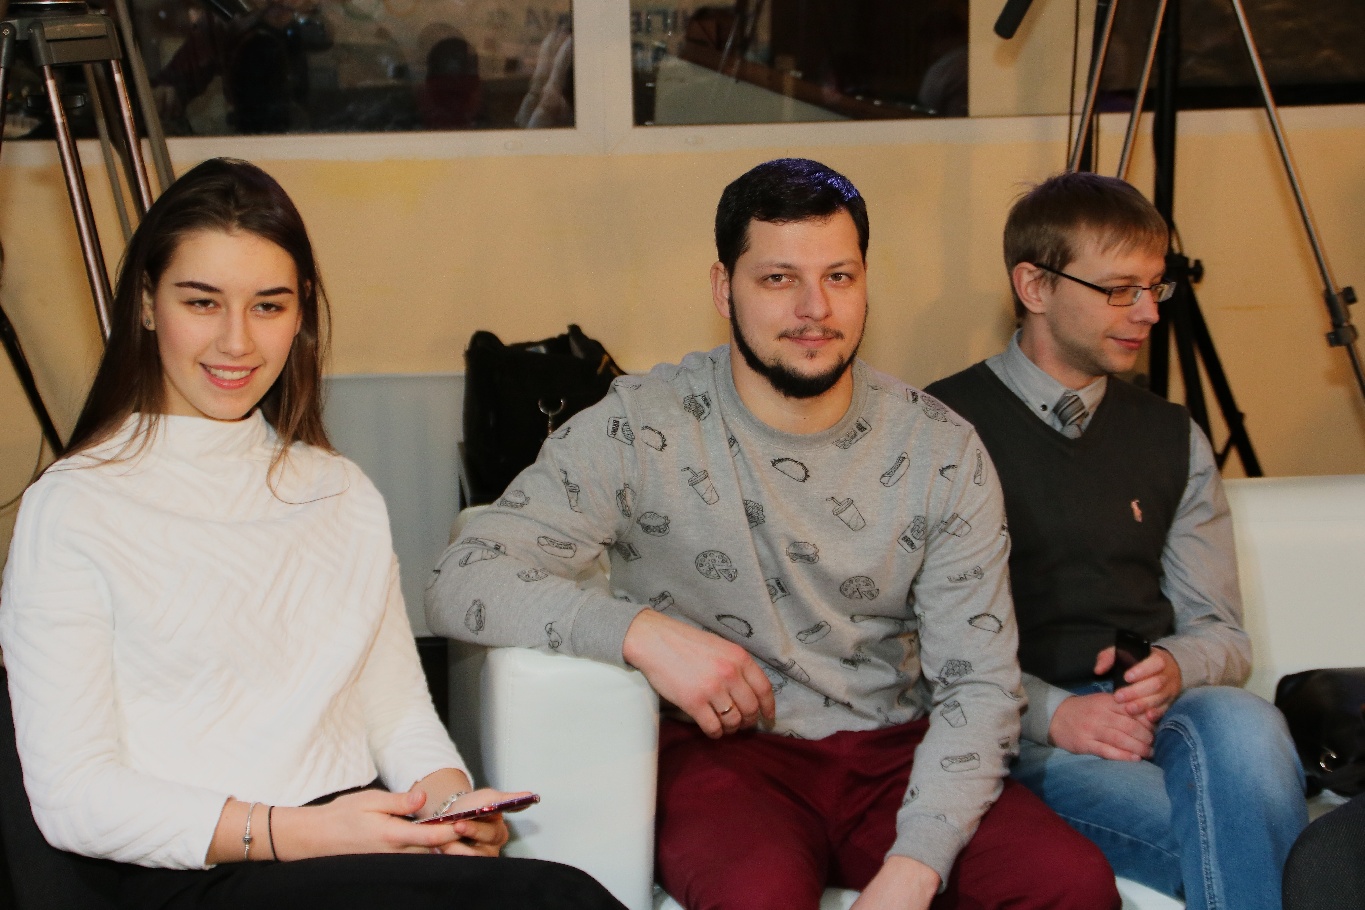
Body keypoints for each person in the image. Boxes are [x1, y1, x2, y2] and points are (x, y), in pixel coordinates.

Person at [426, 158, 1118, 910]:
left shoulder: (940, 448)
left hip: (895, 749)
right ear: (723, 287)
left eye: (839, 277)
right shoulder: (642, 427)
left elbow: (978, 685)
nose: (814, 309)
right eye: (778, 278)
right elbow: (461, 578)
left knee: (1071, 887)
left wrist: (913, 870)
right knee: (759, 897)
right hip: (724, 758)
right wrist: (641, 633)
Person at [0, 157, 625, 910]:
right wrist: (301, 833)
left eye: (268, 306)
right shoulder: (73, 506)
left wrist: (448, 808)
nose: (236, 341)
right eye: (202, 302)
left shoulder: (339, 492)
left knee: (553, 894)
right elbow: (73, 797)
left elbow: (396, 712)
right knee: (553, 900)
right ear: (146, 304)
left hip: (339, 841)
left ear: (300, 315)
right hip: (184, 871)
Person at [926, 170, 1308, 910]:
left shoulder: (1170, 433)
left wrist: (1173, 665)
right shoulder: (939, 429)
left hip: (1160, 713)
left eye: (1155, 288)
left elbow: (1222, 635)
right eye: (1118, 290)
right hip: (1018, 734)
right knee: (1234, 833)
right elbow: (911, 647)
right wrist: (1053, 714)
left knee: (1248, 721)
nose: (1147, 312)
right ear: (1034, 286)